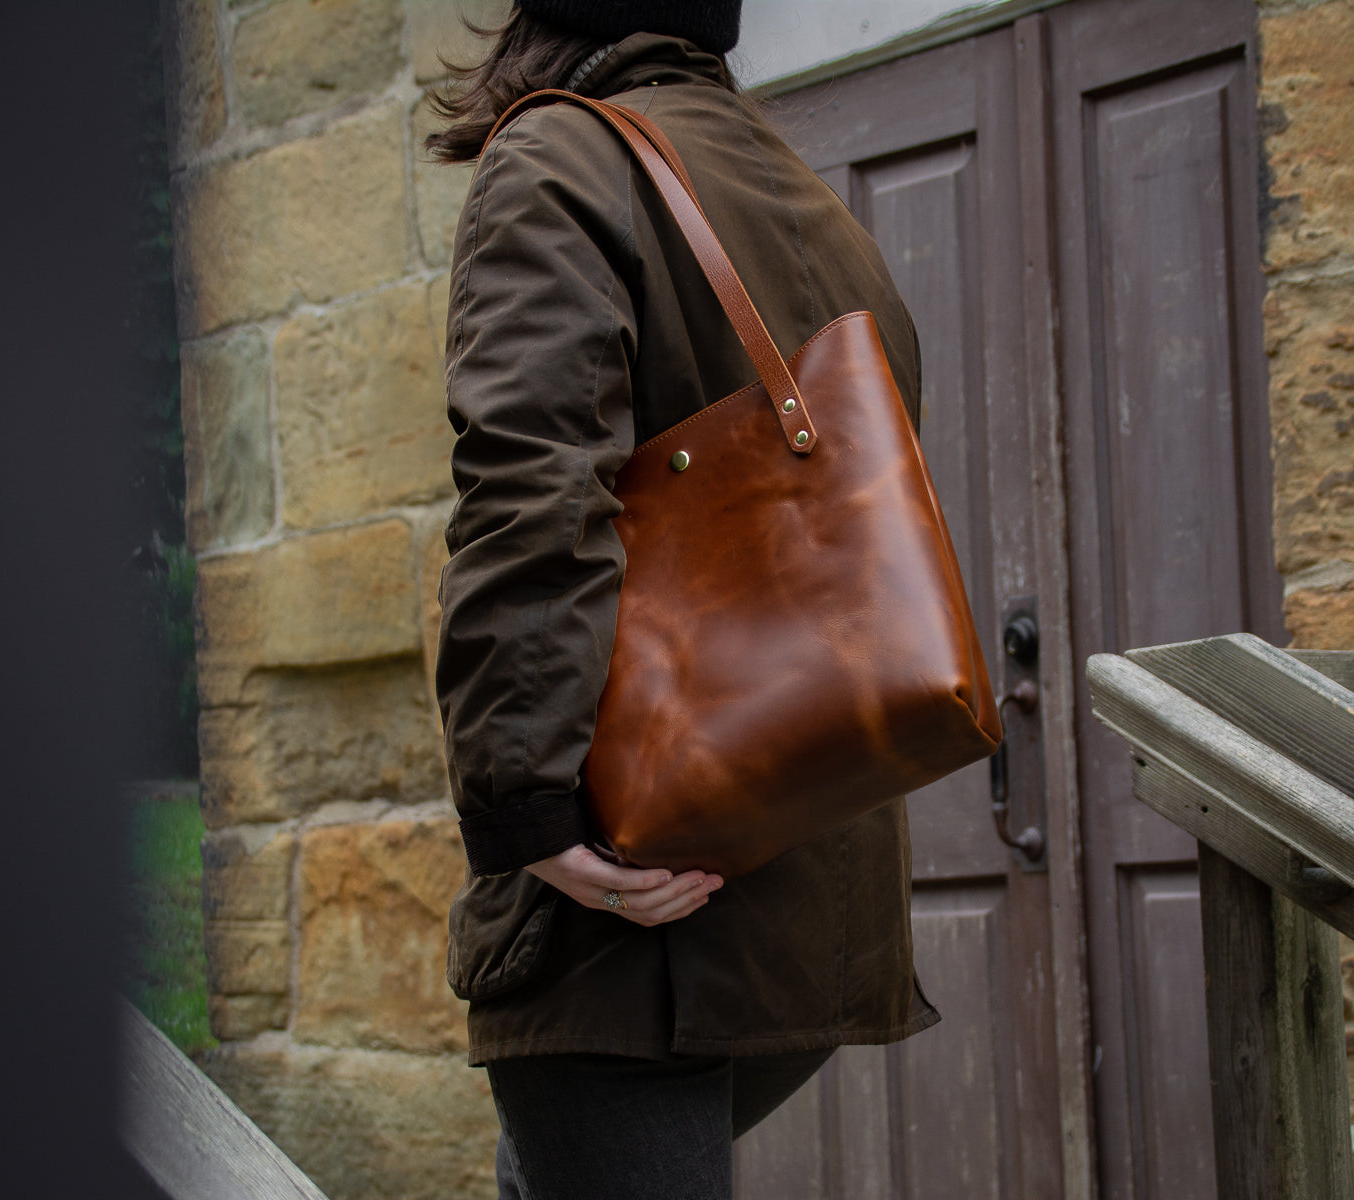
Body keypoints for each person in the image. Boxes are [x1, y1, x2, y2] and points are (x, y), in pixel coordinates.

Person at [426, 4, 939, 1196]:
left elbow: (530, 494)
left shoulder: (558, 155)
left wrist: (527, 813)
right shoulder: (791, 186)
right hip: (813, 878)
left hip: (636, 885)